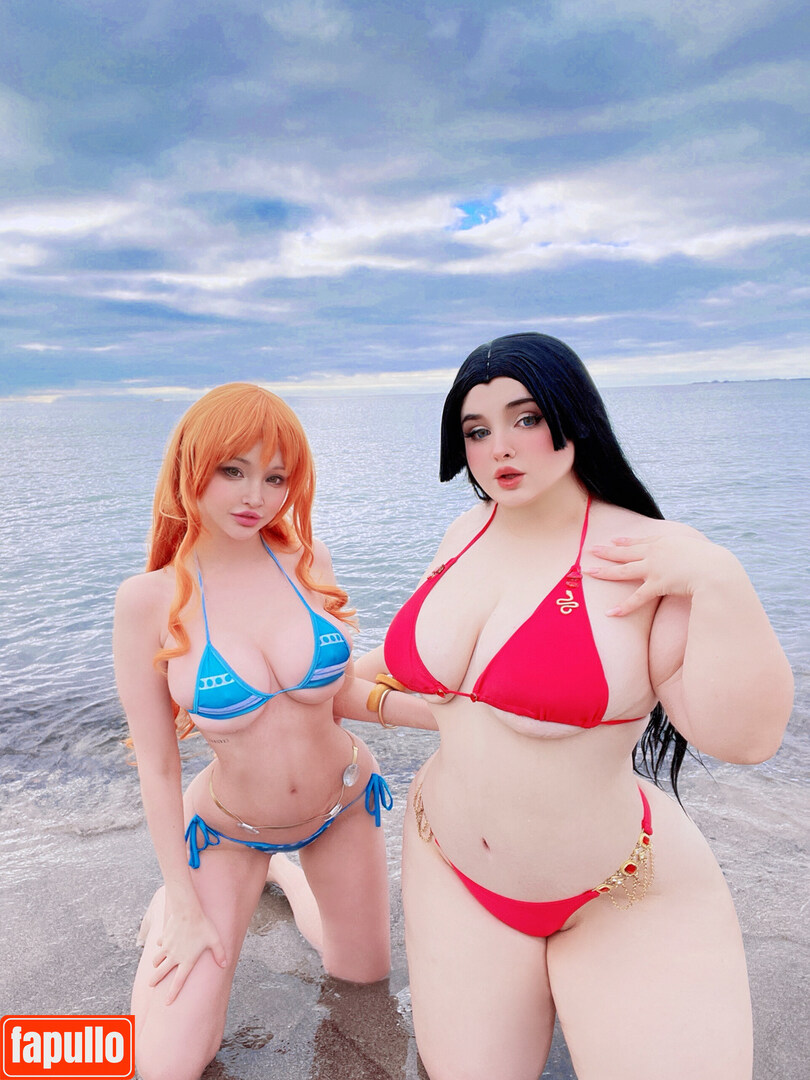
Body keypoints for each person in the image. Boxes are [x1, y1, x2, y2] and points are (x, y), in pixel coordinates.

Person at [355, 333, 793, 1080]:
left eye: (525, 418)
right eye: (477, 430)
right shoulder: (464, 532)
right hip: (450, 866)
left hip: (615, 888)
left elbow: (744, 739)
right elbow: (421, 678)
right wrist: (298, 686)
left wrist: (721, 580)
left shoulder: (643, 554)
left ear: (573, 415)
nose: (500, 447)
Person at [113, 383, 432, 1080]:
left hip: (345, 802)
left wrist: (443, 716)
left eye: (276, 477)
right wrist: (183, 903)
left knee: (362, 981)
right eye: (234, 470)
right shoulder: (149, 600)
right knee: (166, 1064)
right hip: (227, 831)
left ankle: (285, 874)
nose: (255, 496)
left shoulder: (305, 562)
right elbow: (159, 766)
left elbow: (336, 695)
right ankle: (195, 896)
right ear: (192, 467)